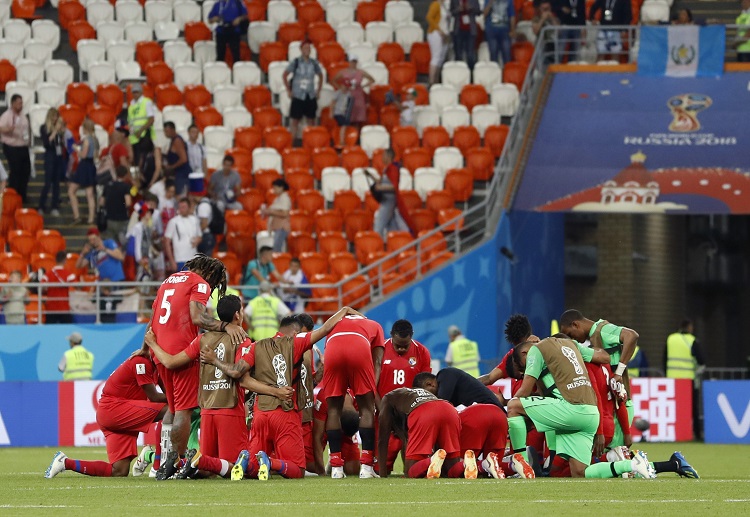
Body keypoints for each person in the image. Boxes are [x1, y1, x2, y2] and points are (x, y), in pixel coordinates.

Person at [203, 306, 364, 480]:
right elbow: (325, 328)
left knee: (252, 470)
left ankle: (216, 461)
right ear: (295, 332)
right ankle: (271, 463)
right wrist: (345, 310)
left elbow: (241, 378)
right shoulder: (296, 343)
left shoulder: (256, 346)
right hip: (285, 414)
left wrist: (214, 360)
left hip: (260, 414)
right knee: (296, 470)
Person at [143, 295, 291, 479]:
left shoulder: (203, 339)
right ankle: (191, 461)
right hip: (229, 410)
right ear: (237, 314)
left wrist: (153, 345)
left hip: (207, 411)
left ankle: (186, 462)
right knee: (239, 468)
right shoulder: (242, 340)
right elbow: (240, 375)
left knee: (211, 469)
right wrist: (276, 391)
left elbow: (171, 362)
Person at [149, 254, 247, 480]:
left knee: (173, 410)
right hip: (181, 351)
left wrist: (148, 348)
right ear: (210, 274)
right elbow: (197, 317)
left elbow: (153, 318)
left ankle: (164, 462)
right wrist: (225, 326)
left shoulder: (168, 281)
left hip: (159, 352)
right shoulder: (199, 283)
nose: (213, 287)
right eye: (216, 282)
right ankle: (179, 462)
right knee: (183, 411)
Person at [507, 337, 656, 479]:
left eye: (523, 367)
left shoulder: (535, 350)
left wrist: (507, 413)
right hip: (590, 413)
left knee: (513, 406)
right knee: (580, 472)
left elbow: (524, 392)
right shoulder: (572, 344)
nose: (525, 372)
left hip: (572, 409)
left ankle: (522, 464)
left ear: (524, 353)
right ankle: (633, 464)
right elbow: (605, 357)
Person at [45, 340, 168, 478]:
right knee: (170, 410)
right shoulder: (141, 362)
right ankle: (158, 464)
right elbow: (155, 397)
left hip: (113, 411)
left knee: (119, 471)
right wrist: (185, 399)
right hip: (114, 410)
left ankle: (65, 463)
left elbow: (168, 392)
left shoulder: (156, 365)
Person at [321, 314, 385, 479]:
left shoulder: (335, 321)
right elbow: (378, 361)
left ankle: (335, 468)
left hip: (333, 349)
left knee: (334, 410)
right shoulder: (374, 324)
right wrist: (370, 387)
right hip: (359, 348)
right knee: (366, 409)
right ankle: (366, 467)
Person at [377, 319, 432, 474]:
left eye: (405, 345)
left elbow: (424, 385)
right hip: (382, 409)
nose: (401, 348)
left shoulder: (422, 352)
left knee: (412, 468)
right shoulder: (378, 350)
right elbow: (370, 384)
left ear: (411, 337)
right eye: (397, 345)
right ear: (391, 336)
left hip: (410, 411)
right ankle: (381, 473)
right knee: (381, 466)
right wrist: (381, 408)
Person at [377, 387, 465, 478]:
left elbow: (382, 440)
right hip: (449, 410)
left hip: (423, 411)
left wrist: (382, 474)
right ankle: (466, 465)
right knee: (450, 471)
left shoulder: (387, 398)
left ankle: (431, 460)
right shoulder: (413, 395)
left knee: (410, 472)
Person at [665, 318, 705, 439]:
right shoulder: (692, 340)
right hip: (688, 379)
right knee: (693, 408)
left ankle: (674, 434)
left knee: (674, 408)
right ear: (689, 327)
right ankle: (696, 434)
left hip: (672, 380)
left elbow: (664, 358)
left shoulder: (670, 339)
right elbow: (702, 360)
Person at [312, 384, 362, 476]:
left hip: (346, 424)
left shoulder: (360, 397)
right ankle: (333, 457)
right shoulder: (325, 396)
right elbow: (317, 436)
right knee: (311, 467)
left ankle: (334, 459)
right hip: (324, 428)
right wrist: (321, 471)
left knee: (353, 470)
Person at [284, 40, 324, 141]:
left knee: (311, 120)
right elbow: (285, 75)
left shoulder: (314, 63)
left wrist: (318, 91)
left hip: (310, 95)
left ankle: (311, 142)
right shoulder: (296, 62)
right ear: (301, 49)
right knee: (295, 121)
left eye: (308, 48)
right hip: (298, 95)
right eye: (305, 48)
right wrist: (289, 90)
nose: (307, 50)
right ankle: (291, 144)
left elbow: (320, 75)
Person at [458, 403, 508, 478]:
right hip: (499, 414)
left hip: (473, 418)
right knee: (496, 464)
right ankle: (513, 465)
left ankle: (484, 465)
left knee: (462, 466)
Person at [413, 368, 504, 410]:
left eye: (426, 394)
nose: (429, 398)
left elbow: (440, 405)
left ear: (430, 384)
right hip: (492, 412)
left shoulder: (445, 374)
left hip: (491, 411)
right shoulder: (452, 391)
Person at [332, 56, 375, 143]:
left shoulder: (360, 72)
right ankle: (346, 138)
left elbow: (372, 79)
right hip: (347, 97)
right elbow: (333, 80)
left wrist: (363, 86)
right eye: (352, 61)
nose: (353, 63)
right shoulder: (343, 72)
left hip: (358, 96)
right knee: (347, 118)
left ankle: (355, 139)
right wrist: (340, 88)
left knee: (357, 119)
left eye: (355, 62)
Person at [372, 148, 411, 238]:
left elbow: (394, 187)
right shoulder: (387, 169)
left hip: (388, 202)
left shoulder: (393, 168)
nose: (382, 158)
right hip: (386, 200)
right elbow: (383, 182)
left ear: (389, 156)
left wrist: (380, 188)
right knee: (392, 228)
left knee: (378, 226)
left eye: (384, 156)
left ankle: (377, 247)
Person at [0, 94, 32, 202]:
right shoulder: (7, 115)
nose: (21, 105)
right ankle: (13, 195)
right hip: (11, 146)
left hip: (23, 146)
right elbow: (1, 128)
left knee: (26, 171)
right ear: (13, 103)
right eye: (19, 103)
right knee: (15, 171)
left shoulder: (23, 116)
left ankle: (22, 195)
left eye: (21, 103)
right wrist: (9, 129)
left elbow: (26, 130)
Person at [68, 119, 99, 225]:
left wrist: (76, 149)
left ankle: (76, 216)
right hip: (91, 166)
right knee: (90, 194)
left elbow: (83, 155)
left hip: (84, 166)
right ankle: (91, 218)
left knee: (71, 191)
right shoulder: (95, 140)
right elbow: (96, 156)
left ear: (85, 128)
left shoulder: (86, 140)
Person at [38, 107, 67, 217]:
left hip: (58, 157)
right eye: (54, 116)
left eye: (57, 116)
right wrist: (55, 131)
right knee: (48, 182)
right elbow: (46, 143)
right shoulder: (44, 128)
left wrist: (62, 133)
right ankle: (41, 205)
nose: (56, 119)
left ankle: (54, 206)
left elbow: (61, 144)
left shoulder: (59, 129)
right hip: (49, 156)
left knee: (56, 183)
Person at [163, 197, 202, 272]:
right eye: (180, 207)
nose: (181, 209)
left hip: (193, 258)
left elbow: (199, 236)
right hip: (180, 259)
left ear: (189, 207)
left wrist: (197, 240)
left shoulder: (194, 220)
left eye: (184, 207)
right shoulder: (174, 222)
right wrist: (171, 260)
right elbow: (166, 241)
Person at [42, 251, 77, 324]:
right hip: (64, 307)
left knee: (49, 330)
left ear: (55, 260)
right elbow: (77, 286)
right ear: (65, 260)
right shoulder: (68, 274)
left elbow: (42, 287)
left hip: (51, 308)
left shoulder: (48, 274)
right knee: (67, 330)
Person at [208, 0, 248, 64]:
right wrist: (215, 19)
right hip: (221, 31)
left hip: (234, 31)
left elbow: (245, 15)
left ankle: (237, 71)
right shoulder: (217, 4)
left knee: (236, 56)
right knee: (220, 56)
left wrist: (239, 19)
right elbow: (210, 20)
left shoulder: (238, 2)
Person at [100, 166, 132, 245]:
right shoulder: (125, 186)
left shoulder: (108, 185)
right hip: (122, 219)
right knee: (123, 242)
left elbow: (101, 202)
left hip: (110, 218)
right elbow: (128, 203)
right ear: (125, 175)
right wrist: (123, 205)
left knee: (111, 243)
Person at [127, 83, 155, 171]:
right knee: (137, 160)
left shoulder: (146, 102)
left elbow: (151, 119)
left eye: (137, 92)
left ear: (141, 92)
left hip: (144, 135)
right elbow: (130, 122)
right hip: (135, 137)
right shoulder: (131, 106)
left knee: (144, 159)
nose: (135, 94)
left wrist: (141, 130)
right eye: (134, 92)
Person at [162, 122, 191, 197]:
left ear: (173, 130)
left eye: (167, 131)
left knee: (180, 196)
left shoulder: (177, 141)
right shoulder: (173, 140)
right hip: (178, 174)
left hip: (182, 174)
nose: (165, 133)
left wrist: (171, 167)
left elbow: (184, 159)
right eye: (165, 131)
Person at [450, 0, 481, 70]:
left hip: (471, 31)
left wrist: (471, 8)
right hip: (458, 30)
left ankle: (470, 74)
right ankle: (459, 73)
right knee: (458, 54)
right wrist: (458, 9)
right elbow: (451, 12)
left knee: (470, 54)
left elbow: (479, 12)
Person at [426, 0, 451, 85]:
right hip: (436, 33)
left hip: (445, 33)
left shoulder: (444, 6)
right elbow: (429, 17)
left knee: (441, 58)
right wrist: (439, 30)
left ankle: (436, 79)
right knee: (436, 57)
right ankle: (431, 80)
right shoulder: (435, 4)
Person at [263, 178, 291, 252]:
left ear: (281, 187)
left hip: (282, 228)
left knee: (276, 249)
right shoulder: (277, 199)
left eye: (275, 188)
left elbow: (285, 213)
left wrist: (271, 212)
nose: (274, 190)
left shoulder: (285, 198)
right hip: (277, 228)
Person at [484, 0, 516, 64]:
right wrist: (490, 3)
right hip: (491, 32)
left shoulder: (509, 1)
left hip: (505, 32)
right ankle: (495, 72)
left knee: (507, 54)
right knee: (493, 55)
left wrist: (512, 30)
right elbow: (484, 14)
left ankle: (507, 72)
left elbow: (512, 15)